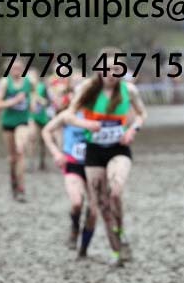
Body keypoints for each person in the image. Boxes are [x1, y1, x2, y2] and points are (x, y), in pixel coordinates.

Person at [67, 48, 148, 267]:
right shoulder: (87, 90)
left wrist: (133, 130)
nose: (111, 73)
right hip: (94, 151)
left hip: (118, 149)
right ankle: (116, 252)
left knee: (116, 190)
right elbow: (69, 115)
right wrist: (87, 124)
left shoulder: (128, 91)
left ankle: (120, 232)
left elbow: (142, 114)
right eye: (107, 69)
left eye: (116, 69)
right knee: (101, 204)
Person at [42, 92, 97, 256]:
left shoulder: (96, 114)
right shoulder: (67, 116)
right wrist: (56, 153)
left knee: (94, 211)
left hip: (95, 165)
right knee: (76, 202)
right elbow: (46, 131)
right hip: (73, 164)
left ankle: (84, 249)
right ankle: (74, 229)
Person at [0, 60, 31, 202]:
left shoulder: (28, 82)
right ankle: (13, 180)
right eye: (14, 68)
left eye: (20, 68)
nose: (17, 70)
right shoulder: (4, 83)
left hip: (23, 122)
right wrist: (13, 101)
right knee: (12, 157)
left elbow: (32, 96)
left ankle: (21, 187)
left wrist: (33, 104)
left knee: (20, 151)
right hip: (8, 123)